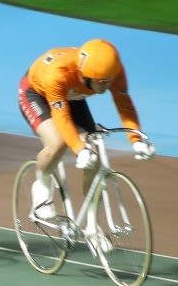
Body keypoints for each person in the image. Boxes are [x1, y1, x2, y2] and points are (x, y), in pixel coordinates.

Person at [18, 38, 155, 243]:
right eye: (102, 83)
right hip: (38, 94)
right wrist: (78, 148)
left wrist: (137, 139)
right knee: (58, 142)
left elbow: (124, 104)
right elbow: (62, 118)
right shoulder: (59, 73)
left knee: (95, 153)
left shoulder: (113, 70)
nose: (107, 86)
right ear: (85, 75)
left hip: (73, 97)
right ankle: (42, 186)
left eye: (109, 81)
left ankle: (92, 227)